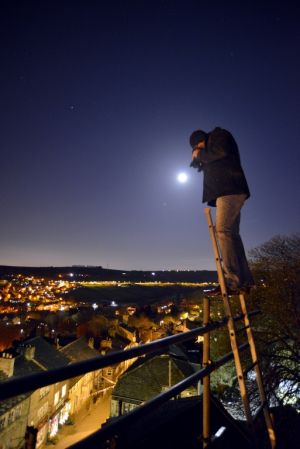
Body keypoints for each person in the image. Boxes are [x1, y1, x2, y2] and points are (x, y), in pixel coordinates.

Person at [189, 126, 255, 295]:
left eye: (197, 147)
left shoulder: (219, 135)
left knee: (223, 232)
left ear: (200, 141)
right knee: (231, 235)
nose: (197, 151)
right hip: (228, 191)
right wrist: (199, 160)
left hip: (229, 190)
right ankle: (244, 282)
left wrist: (200, 154)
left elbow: (222, 152)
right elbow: (216, 162)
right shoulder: (211, 147)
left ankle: (233, 282)